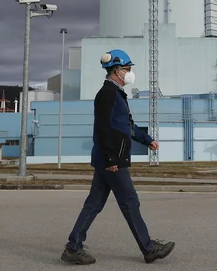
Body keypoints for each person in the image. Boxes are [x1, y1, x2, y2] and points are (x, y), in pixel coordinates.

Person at [61, 49, 175, 265]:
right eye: (127, 69)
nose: (130, 73)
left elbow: (126, 127)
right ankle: (148, 248)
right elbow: (104, 129)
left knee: (94, 204)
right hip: (112, 161)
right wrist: (111, 159)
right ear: (116, 71)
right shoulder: (107, 95)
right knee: (130, 201)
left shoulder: (116, 95)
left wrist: (146, 139)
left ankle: (73, 246)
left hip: (110, 159)